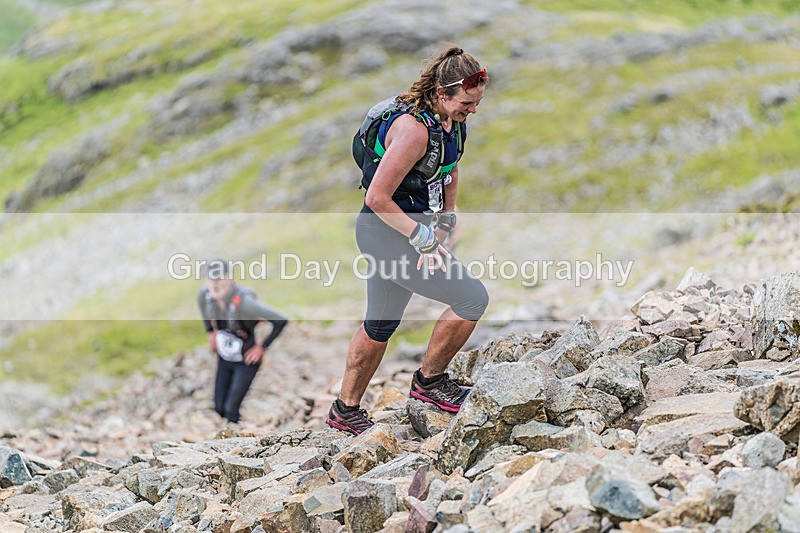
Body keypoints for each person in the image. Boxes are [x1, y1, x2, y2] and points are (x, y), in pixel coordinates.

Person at [327, 46, 490, 435]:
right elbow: (376, 198)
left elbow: (449, 169)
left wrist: (448, 219)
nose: (473, 110)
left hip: (405, 232)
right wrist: (425, 240)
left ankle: (344, 411)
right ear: (441, 92)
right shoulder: (413, 131)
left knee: (380, 323)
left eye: (477, 102)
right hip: (386, 232)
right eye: (467, 102)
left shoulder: (451, 122)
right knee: (472, 299)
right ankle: (430, 383)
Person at [197, 258, 288, 424]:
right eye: (211, 279)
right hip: (225, 357)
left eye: (219, 279)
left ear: (230, 278)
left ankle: (235, 441)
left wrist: (262, 347)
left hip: (246, 360)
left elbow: (281, 319)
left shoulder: (246, 303)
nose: (214, 284)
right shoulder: (205, 295)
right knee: (219, 407)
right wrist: (210, 332)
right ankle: (224, 437)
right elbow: (201, 304)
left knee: (231, 409)